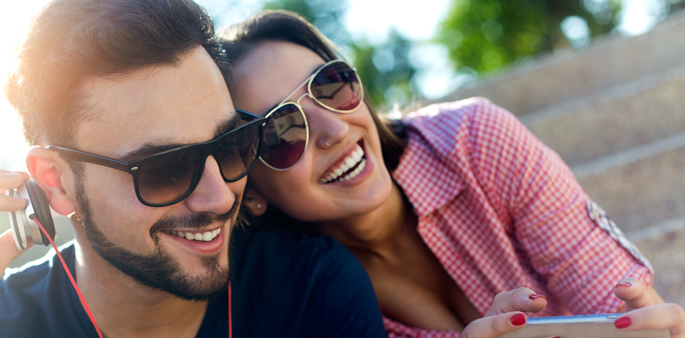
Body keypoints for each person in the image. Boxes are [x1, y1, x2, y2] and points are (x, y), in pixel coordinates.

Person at [0, 1, 389, 337]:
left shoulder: (309, 288)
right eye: (166, 168)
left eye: (230, 145)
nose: (219, 197)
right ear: (56, 182)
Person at [220, 10, 685, 338]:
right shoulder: (305, 302)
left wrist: (644, 325)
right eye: (282, 130)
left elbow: (629, 311)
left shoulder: (474, 139)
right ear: (251, 192)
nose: (334, 128)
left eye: (329, 85)